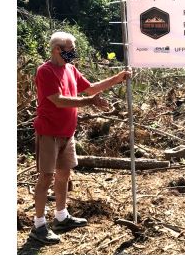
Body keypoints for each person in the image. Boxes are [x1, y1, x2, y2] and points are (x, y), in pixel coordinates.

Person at [30, 31, 132, 244]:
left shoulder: (70, 69)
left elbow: (91, 89)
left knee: (63, 175)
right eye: (70, 49)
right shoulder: (45, 71)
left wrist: (119, 77)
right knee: (46, 178)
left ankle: (61, 217)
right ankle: (38, 225)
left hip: (67, 132)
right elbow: (58, 101)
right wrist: (90, 102)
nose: (73, 53)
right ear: (57, 49)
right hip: (49, 132)